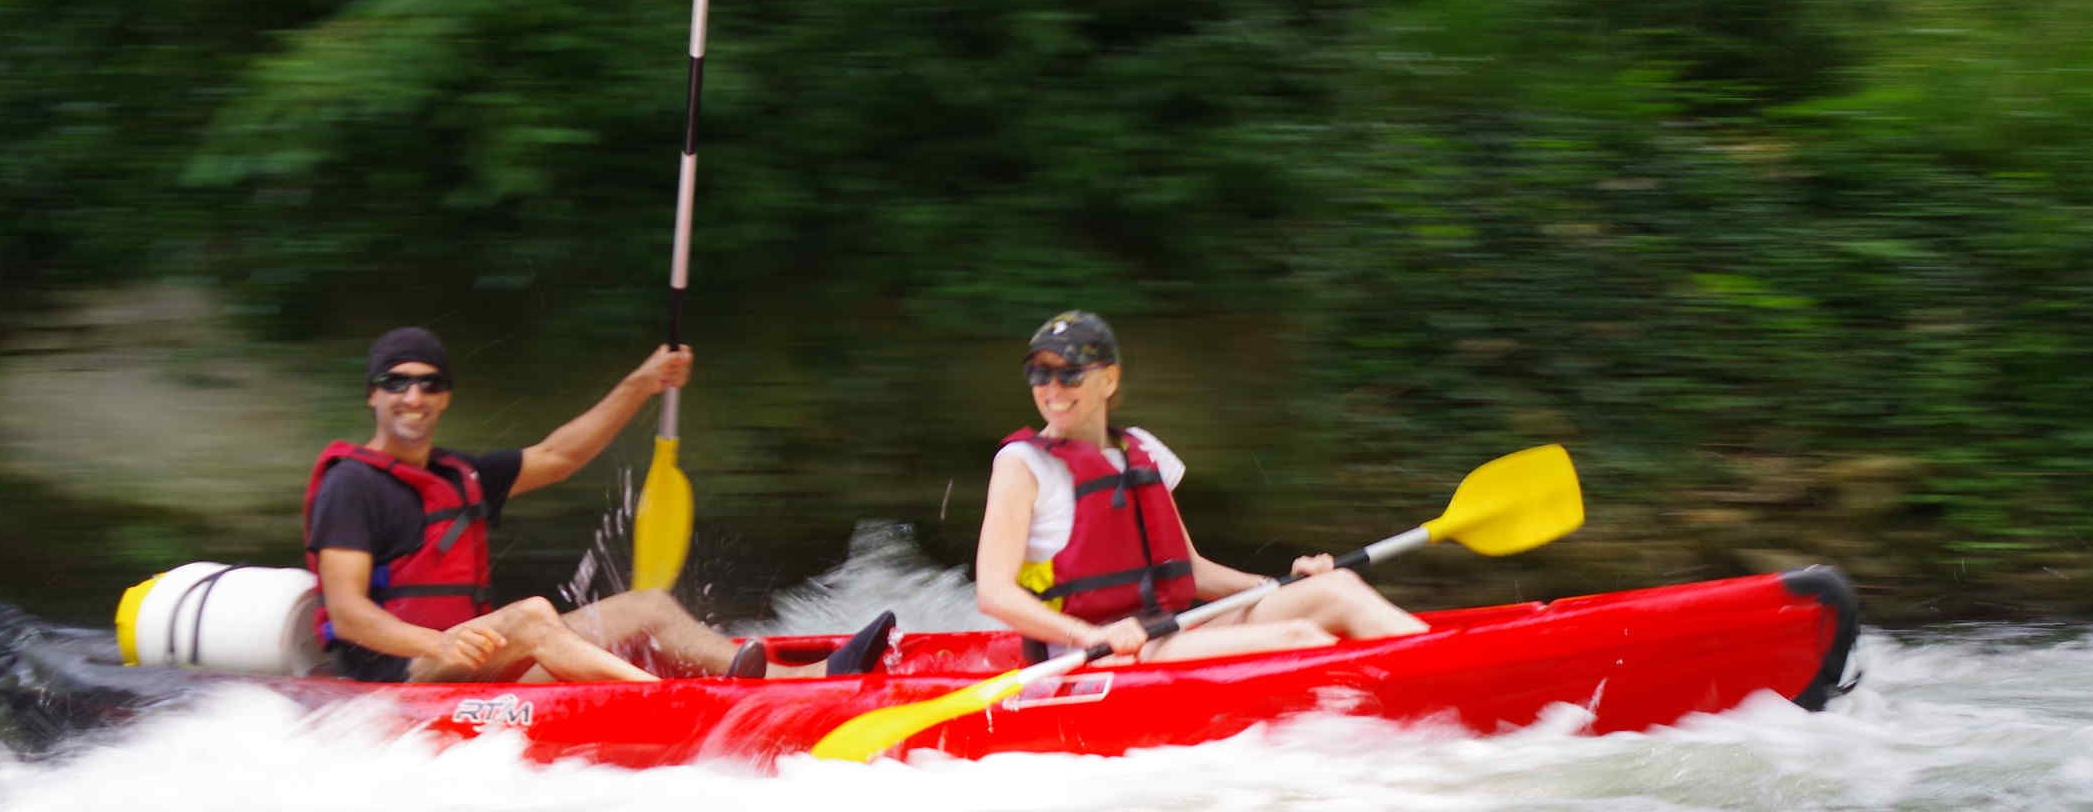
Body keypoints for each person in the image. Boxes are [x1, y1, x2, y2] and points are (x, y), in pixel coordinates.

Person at [306, 326, 890, 683]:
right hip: (400, 674)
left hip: (477, 657)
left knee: (648, 607)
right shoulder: (351, 486)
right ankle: (668, 703)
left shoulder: (461, 476)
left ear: (445, 397)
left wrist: (644, 382)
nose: (414, 396)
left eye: (430, 384)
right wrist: (439, 643)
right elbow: (350, 613)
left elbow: (560, 455)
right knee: (531, 616)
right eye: (397, 383)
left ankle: (808, 679)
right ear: (372, 394)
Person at [974, 311, 1429, 664]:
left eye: (1069, 373)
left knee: (1336, 588)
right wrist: (1091, 634)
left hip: (1164, 631)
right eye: (1040, 374)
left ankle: (1439, 666)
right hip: (1090, 653)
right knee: (1299, 637)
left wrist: (1280, 585)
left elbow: (1190, 571)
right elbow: (994, 593)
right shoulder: (1023, 465)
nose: (1052, 389)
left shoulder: (1142, 449)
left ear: (1108, 379)